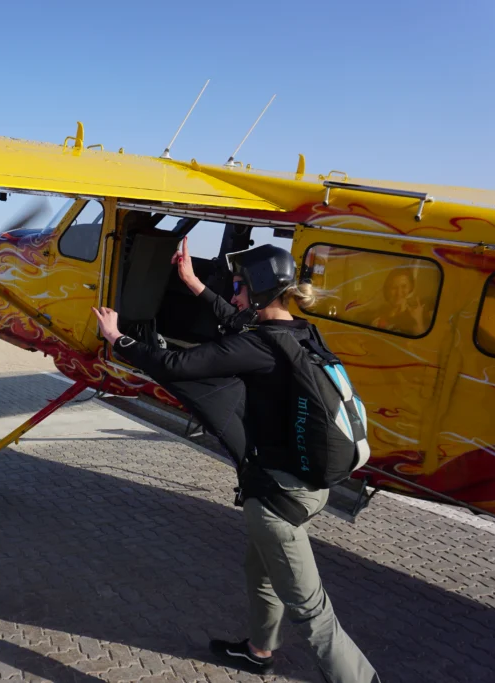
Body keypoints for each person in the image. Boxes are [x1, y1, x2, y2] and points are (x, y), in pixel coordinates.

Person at [93, 238, 379, 683]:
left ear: (262, 293)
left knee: (314, 614)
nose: (235, 296)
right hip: (308, 487)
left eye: (241, 288)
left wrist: (118, 338)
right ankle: (258, 651)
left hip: (278, 502)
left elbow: (173, 363)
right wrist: (190, 283)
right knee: (260, 571)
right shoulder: (300, 334)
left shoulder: (259, 348)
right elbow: (241, 323)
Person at [370, 268, 427, 336]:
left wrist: (418, 321)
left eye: (404, 286)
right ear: (388, 290)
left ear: (410, 288)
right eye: (394, 287)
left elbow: (421, 343)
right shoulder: (378, 314)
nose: (399, 293)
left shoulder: (420, 313)